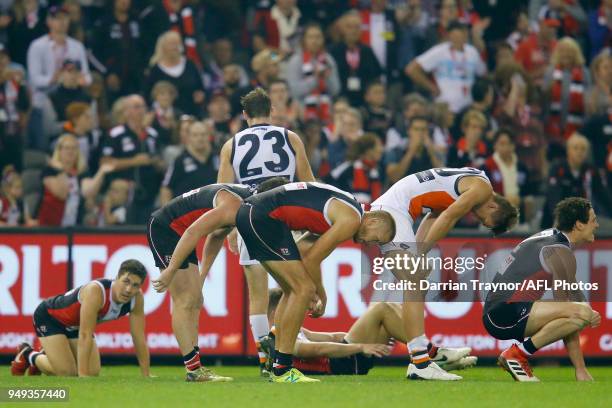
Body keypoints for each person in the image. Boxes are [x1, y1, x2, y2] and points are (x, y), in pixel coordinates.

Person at [234, 181, 396, 382]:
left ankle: (278, 355)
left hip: (252, 212)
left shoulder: (345, 209)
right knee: (303, 289)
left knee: (292, 290)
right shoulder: (351, 220)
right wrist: (322, 295)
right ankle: (283, 369)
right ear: (373, 222)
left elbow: (302, 251)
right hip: (263, 216)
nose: (370, 244)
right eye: (376, 239)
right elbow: (312, 259)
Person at [369, 167, 518, 380]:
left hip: (395, 207)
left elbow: (435, 212)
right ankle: (421, 363)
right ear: (493, 205)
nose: (478, 219)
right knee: (416, 282)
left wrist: (419, 250)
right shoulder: (482, 190)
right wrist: (419, 253)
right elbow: (448, 216)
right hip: (394, 211)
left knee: (417, 280)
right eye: (485, 220)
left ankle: (427, 355)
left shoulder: (475, 182)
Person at [217, 87, 315, 376]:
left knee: (257, 295)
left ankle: (264, 361)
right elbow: (309, 182)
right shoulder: (290, 137)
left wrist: (230, 231)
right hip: (285, 215)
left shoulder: (231, 145)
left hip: (249, 215)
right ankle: (282, 353)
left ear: (244, 114)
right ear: (271, 110)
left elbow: (223, 193)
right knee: (293, 289)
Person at [483, 197, 601, 382]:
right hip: (505, 313)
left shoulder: (553, 239)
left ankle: (519, 355)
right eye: (593, 220)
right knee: (579, 313)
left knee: (578, 312)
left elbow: (572, 293)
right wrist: (586, 311)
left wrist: (581, 370)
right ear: (578, 224)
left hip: (499, 311)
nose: (597, 225)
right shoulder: (560, 250)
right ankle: (517, 354)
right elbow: (568, 305)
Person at [262, 288, 476, 376]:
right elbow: (310, 349)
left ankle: (431, 359)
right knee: (382, 308)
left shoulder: (290, 329)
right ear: (277, 310)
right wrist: (361, 345)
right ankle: (431, 353)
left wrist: (358, 335)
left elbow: (329, 337)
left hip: (346, 361)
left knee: (385, 312)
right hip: (342, 364)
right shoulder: (278, 333)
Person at [10, 260, 151, 377]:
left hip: (74, 325)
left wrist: (146, 375)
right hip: (50, 318)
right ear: (117, 278)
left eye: (135, 285)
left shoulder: (136, 299)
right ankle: (28, 354)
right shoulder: (96, 291)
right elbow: (85, 334)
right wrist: (82, 376)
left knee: (93, 372)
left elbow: (138, 337)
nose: (128, 289)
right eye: (126, 281)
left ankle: (45, 355)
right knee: (68, 373)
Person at [406, 20, 486, 113]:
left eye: (462, 33)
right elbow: (411, 69)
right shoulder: (439, 51)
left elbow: (483, 73)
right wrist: (432, 88)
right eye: (455, 34)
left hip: (468, 108)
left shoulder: (472, 52)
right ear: (449, 35)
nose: (459, 37)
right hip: (445, 108)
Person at [38, 134, 113, 226]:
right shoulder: (50, 171)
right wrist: (61, 170)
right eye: (67, 148)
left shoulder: (81, 172)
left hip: (74, 225)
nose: (71, 151)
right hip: (50, 226)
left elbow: (88, 191)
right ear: (59, 151)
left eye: (74, 148)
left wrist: (101, 172)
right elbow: (62, 193)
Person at [160, 121, 218, 206]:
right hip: (187, 214)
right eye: (195, 135)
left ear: (209, 136)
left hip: (214, 211)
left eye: (203, 134)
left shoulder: (217, 158)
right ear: (189, 137)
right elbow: (166, 188)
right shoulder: (180, 161)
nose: (200, 138)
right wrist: (167, 215)